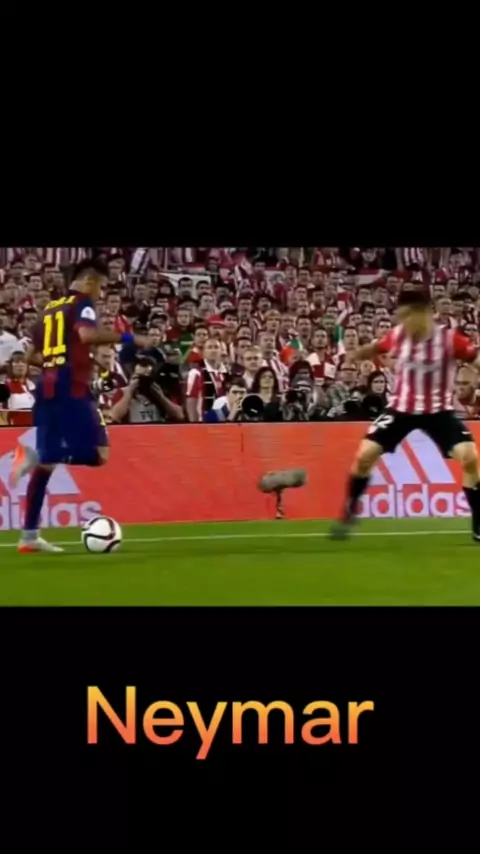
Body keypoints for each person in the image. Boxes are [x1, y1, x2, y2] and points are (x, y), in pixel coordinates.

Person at [10, 258, 148, 554]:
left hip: (46, 387)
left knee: (46, 467)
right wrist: (131, 338)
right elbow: (87, 335)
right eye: (101, 287)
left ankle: (29, 536)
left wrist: (63, 362)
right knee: (100, 453)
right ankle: (36, 454)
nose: (100, 294)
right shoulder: (81, 303)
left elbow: (31, 356)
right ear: (88, 281)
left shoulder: (48, 310)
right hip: (71, 387)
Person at [331, 289, 480, 542]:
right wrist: (356, 355)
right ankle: (351, 507)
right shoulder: (398, 335)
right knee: (365, 455)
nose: (403, 320)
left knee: (470, 458)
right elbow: (377, 347)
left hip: (439, 411)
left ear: (424, 313)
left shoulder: (449, 339)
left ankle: (478, 521)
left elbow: (475, 358)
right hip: (401, 409)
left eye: (407, 315)